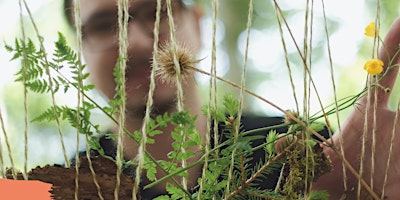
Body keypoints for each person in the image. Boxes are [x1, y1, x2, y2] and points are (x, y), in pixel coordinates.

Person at [64, 0, 400, 199]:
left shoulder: (305, 153)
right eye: (106, 25)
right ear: (81, 50)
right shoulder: (61, 187)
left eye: (156, 11)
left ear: (198, 25)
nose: (134, 41)